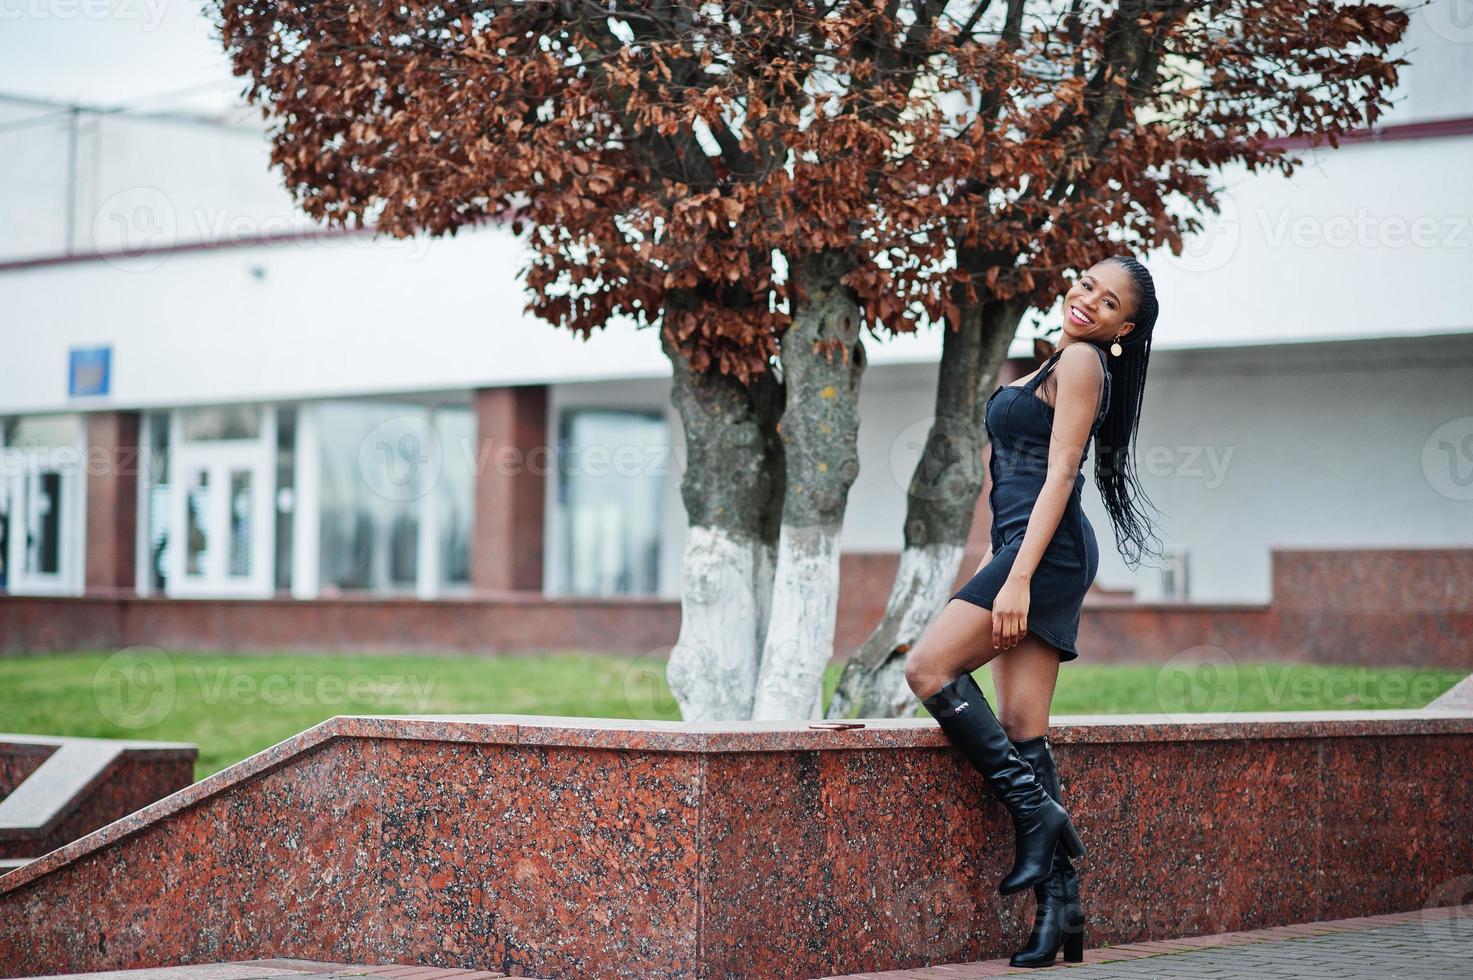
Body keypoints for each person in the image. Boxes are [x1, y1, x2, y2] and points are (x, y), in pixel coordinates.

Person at [905, 254, 1165, 968]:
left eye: (1107, 301)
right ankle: (1062, 914)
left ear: (1123, 326)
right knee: (1022, 725)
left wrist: (1015, 579)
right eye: (1085, 283)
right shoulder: (1057, 361)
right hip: (1027, 550)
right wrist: (1005, 562)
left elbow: (1059, 474)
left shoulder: (1081, 363)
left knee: (928, 668)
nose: (1086, 300)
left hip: (1042, 556)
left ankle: (1033, 811)